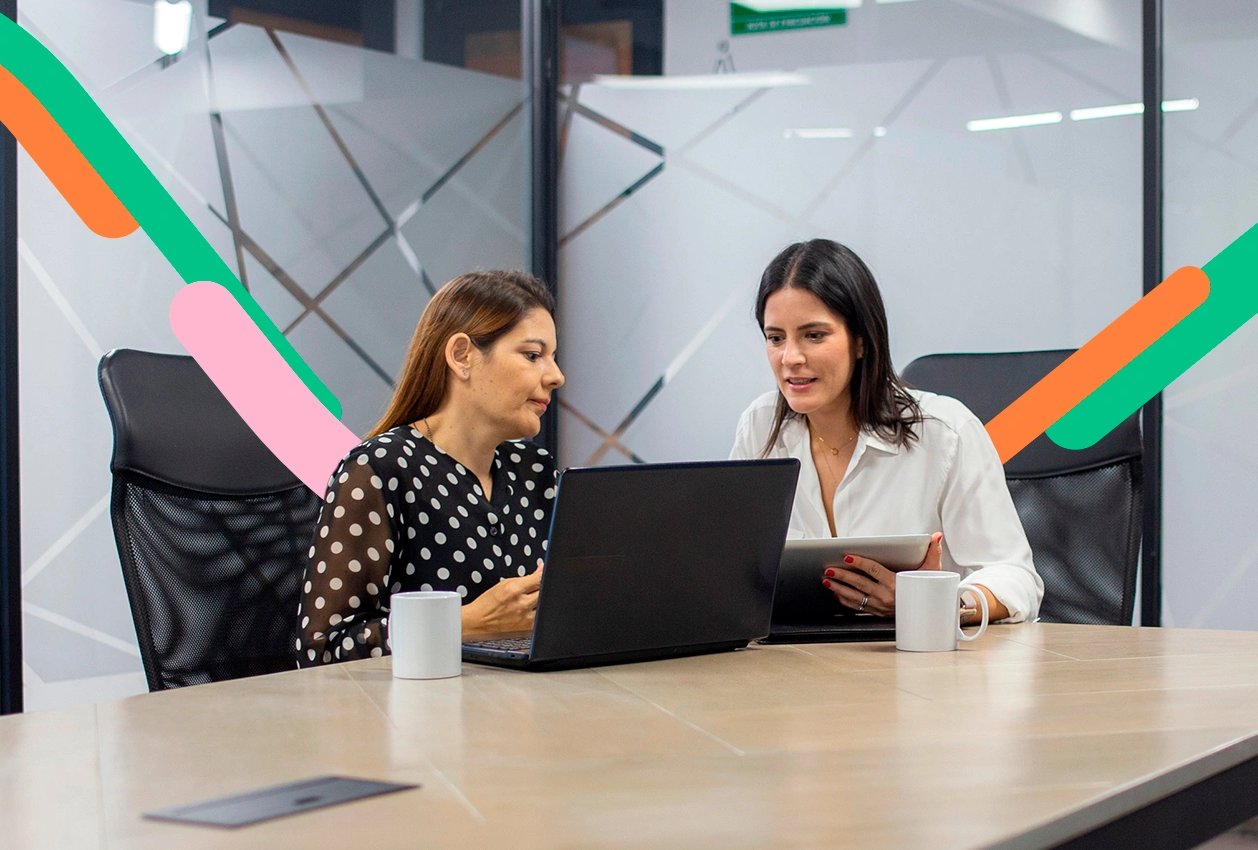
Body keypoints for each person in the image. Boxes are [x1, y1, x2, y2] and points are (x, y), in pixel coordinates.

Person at [729, 239, 1042, 623]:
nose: (790, 358)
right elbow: (735, 568)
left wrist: (938, 603)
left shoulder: (946, 432)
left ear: (861, 341)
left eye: (814, 335)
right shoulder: (759, 427)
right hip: (797, 660)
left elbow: (1017, 578)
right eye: (775, 338)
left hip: (921, 664)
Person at [298, 270, 565, 666]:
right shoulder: (378, 471)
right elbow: (320, 649)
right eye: (532, 355)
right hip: (418, 720)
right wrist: (464, 623)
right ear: (462, 356)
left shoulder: (536, 473)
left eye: (552, 358)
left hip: (530, 711)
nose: (556, 376)